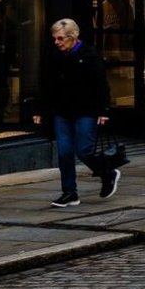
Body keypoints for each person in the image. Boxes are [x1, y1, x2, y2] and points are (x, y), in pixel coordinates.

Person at [32, 19, 113, 208]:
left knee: (84, 149)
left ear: (73, 37)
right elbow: (47, 85)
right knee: (64, 152)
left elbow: (100, 84)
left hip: (86, 110)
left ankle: (106, 172)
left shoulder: (89, 55)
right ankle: (69, 192)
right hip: (62, 111)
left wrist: (103, 110)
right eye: (55, 38)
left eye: (60, 38)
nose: (57, 42)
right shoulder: (54, 56)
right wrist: (40, 109)